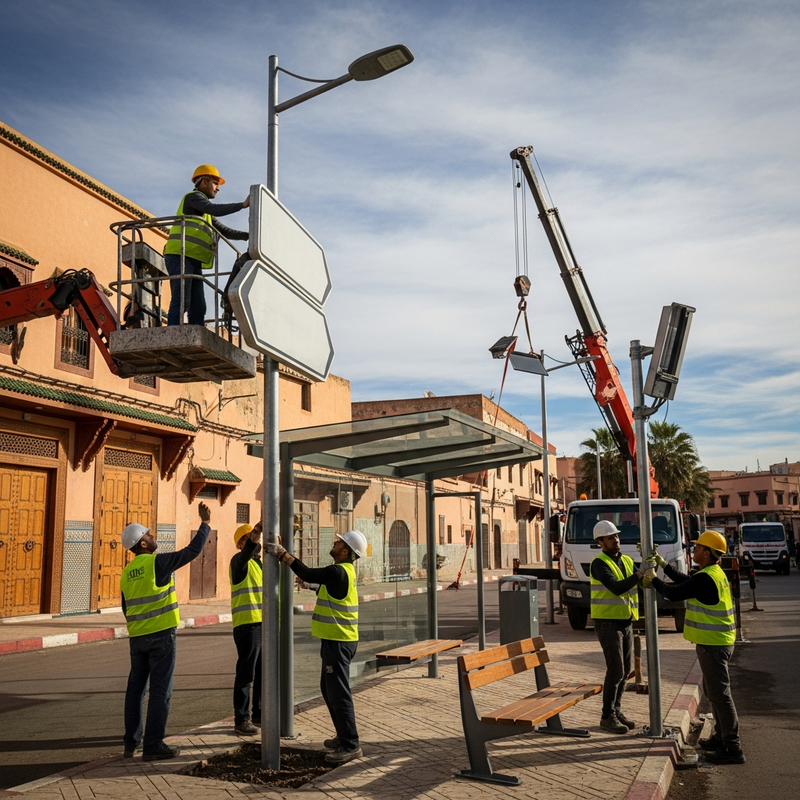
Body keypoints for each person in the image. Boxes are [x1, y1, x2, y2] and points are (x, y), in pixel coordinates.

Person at [266, 530, 368, 765]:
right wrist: (310, 585)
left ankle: (351, 744)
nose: (334, 542)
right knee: (328, 689)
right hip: (337, 641)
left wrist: (283, 555)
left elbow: (309, 571)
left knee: (338, 693)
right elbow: (326, 586)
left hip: (338, 642)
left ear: (345, 551)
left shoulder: (338, 571)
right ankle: (343, 736)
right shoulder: (345, 572)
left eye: (339, 542)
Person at [119, 503, 212, 760]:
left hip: (137, 640)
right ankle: (153, 745)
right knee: (161, 691)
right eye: (149, 535)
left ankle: (130, 744)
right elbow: (192, 551)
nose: (153, 537)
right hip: (161, 637)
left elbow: (127, 608)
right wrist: (205, 524)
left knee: (135, 690)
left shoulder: (126, 573)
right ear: (144, 545)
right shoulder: (157, 563)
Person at [644, 530, 744, 764]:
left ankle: (732, 747)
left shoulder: (706, 577)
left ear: (707, 553)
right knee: (714, 693)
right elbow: (686, 582)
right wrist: (663, 566)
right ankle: (720, 738)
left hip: (714, 644)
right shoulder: (712, 573)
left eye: (698, 547)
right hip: (717, 642)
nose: (694, 550)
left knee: (720, 695)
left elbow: (674, 592)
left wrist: (653, 580)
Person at [164, 164, 249, 326]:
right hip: (180, 255)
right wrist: (242, 205)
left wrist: (248, 236)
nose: (218, 188)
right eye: (215, 183)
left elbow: (224, 230)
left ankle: (195, 335)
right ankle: (172, 332)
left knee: (199, 306)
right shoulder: (193, 198)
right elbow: (213, 208)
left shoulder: (203, 212)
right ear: (204, 182)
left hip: (192, 258)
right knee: (182, 300)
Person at [590, 520, 648, 734]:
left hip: (625, 621)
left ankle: (616, 710)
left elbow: (638, 585)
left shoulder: (626, 560)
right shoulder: (599, 563)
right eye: (610, 537)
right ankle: (607, 716)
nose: (615, 540)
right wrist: (639, 574)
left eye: (616, 536)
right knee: (616, 671)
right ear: (600, 542)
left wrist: (647, 571)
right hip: (607, 624)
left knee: (625, 672)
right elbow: (615, 588)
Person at [229, 521, 263, 736]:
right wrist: (256, 534)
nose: (255, 541)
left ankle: (259, 713)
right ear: (242, 543)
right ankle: (241, 719)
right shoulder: (238, 561)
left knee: (262, 673)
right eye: (249, 538)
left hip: (261, 623)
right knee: (246, 673)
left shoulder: (259, 564)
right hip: (247, 624)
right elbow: (246, 553)